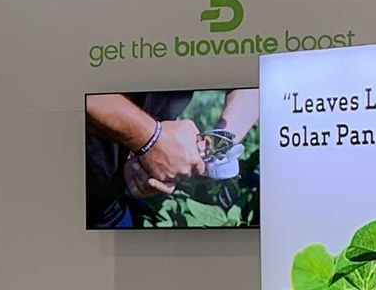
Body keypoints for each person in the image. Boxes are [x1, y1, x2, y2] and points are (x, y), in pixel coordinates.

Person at [84, 90, 258, 229]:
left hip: (113, 194)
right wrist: (149, 139)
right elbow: (70, 84)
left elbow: (250, 78)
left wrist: (219, 142)